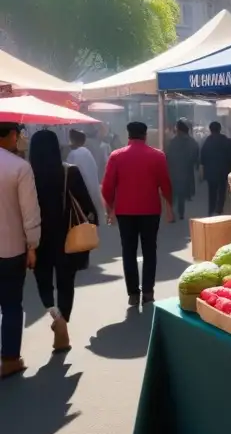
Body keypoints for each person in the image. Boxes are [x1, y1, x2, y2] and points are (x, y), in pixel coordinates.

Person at [29, 130, 98, 353]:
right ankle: (63, 324)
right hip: (68, 237)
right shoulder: (70, 171)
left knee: (43, 281)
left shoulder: (27, 174)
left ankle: (55, 315)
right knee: (66, 283)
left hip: (37, 239)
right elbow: (88, 207)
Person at [102, 122, 174, 307]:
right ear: (145, 135)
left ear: (128, 136)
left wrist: (109, 209)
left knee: (128, 251)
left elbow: (107, 187)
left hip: (125, 212)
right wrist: (169, 207)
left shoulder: (116, 156)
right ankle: (148, 292)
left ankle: (133, 293)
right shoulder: (157, 156)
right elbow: (165, 183)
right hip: (150, 210)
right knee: (150, 251)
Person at [0, 122, 41, 379]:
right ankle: (10, 359)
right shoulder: (19, 168)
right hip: (11, 248)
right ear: (12, 135)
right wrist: (32, 245)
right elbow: (30, 212)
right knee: (12, 304)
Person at [200, 121, 231, 215]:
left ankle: (211, 209)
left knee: (212, 191)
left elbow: (202, 158)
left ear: (210, 129)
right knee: (222, 190)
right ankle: (219, 208)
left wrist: (203, 171)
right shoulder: (227, 141)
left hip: (210, 172)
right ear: (220, 129)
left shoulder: (207, 142)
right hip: (224, 171)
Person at [165, 118, 200, 221]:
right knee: (181, 195)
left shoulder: (172, 142)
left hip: (172, 172)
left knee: (173, 193)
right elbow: (195, 156)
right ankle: (180, 212)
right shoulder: (192, 142)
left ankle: (171, 212)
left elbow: (166, 156)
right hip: (186, 172)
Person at [66, 128, 104, 215]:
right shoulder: (87, 153)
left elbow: (69, 172)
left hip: (82, 196)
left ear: (72, 140)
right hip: (92, 194)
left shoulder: (74, 154)